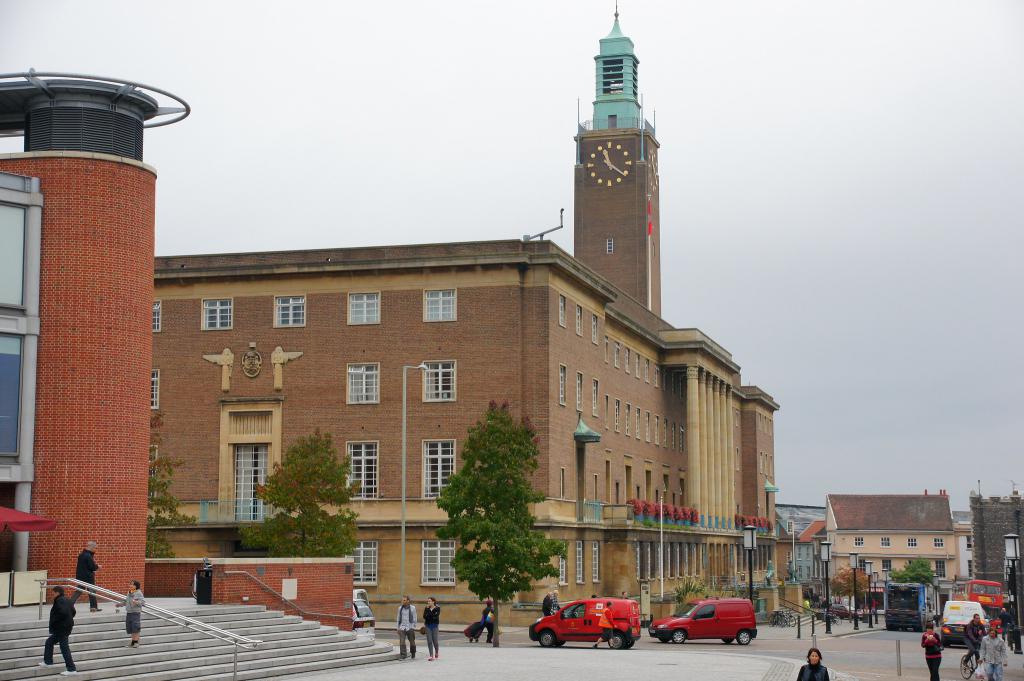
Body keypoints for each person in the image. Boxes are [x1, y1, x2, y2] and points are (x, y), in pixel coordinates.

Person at [40, 586, 77, 675]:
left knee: (64, 648)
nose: (53, 594)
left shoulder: (59, 600)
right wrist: (68, 619)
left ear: (57, 593)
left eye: (53, 593)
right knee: (49, 642)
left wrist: (55, 620)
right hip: (65, 627)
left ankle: (71, 669)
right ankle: (48, 662)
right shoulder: (67, 600)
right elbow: (73, 611)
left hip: (61, 628)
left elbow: (63, 612)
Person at [73, 540, 101, 612]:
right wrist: (98, 567)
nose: (95, 549)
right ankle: (93, 607)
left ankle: (69, 604)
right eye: (95, 548)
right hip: (88, 577)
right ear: (91, 547)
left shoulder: (82, 554)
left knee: (79, 591)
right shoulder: (88, 556)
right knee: (92, 591)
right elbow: (92, 567)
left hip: (81, 576)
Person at [124, 581, 145, 647]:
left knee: (136, 627)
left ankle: (136, 642)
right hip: (129, 612)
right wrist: (120, 604)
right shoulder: (129, 592)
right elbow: (127, 600)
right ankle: (133, 642)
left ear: (136, 586)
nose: (130, 585)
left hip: (135, 612)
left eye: (132, 584)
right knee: (131, 628)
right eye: (130, 584)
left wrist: (136, 602)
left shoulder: (138, 593)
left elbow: (142, 602)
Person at [396, 595, 417, 660]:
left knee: (412, 642)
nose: (403, 601)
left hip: (410, 627)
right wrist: (398, 628)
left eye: (404, 600)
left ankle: (413, 653)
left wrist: (413, 627)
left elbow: (415, 618)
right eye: (402, 600)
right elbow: (398, 618)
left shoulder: (413, 608)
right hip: (402, 627)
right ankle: (403, 655)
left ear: (408, 601)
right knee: (402, 642)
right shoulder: (400, 608)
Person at [423, 597, 440, 661]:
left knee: (435, 641)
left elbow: (435, 616)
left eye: (430, 601)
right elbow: (424, 616)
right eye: (428, 601)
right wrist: (429, 613)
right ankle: (431, 656)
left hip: (435, 626)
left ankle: (436, 652)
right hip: (427, 626)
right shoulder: (426, 608)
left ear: (433, 602)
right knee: (429, 641)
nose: (428, 602)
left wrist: (429, 615)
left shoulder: (437, 608)